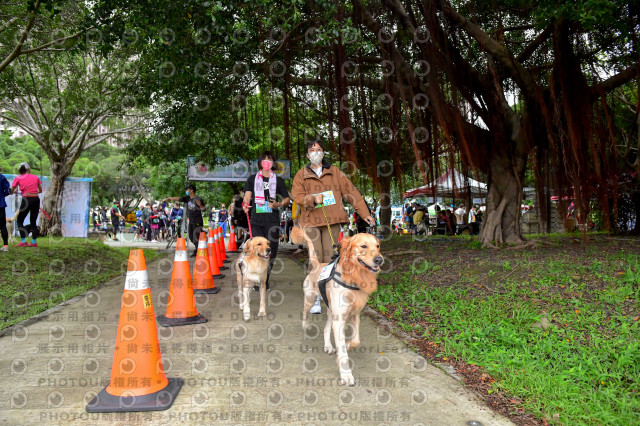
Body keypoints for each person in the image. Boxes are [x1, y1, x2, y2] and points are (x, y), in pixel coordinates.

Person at [291, 141, 374, 314]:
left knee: (330, 259)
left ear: (323, 152)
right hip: (311, 221)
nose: (316, 153)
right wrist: (312, 199)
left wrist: (364, 212)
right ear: (307, 155)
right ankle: (314, 297)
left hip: (332, 221)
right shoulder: (301, 174)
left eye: (319, 150)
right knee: (316, 259)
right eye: (312, 150)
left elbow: (351, 192)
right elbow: (297, 196)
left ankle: (329, 293)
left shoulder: (334, 171)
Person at [242, 151, 290, 290]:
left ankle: (265, 278)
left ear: (273, 163)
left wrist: (278, 204)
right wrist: (245, 203)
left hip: (273, 221)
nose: (267, 162)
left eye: (270, 159)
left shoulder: (278, 180)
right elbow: (247, 196)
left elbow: (286, 199)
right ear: (260, 162)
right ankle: (257, 279)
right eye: (264, 159)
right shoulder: (252, 179)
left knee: (271, 251)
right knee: (257, 249)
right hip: (256, 220)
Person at [163, 183, 206, 257]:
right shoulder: (187, 198)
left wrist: (200, 205)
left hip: (198, 220)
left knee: (196, 236)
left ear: (192, 190)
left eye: (187, 189)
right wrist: (168, 198)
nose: (186, 191)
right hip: (191, 221)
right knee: (190, 236)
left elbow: (204, 209)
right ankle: (198, 248)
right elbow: (178, 198)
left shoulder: (198, 199)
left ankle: (198, 251)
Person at [9, 163, 42, 247]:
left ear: (20, 170)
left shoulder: (18, 178)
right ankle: (34, 242)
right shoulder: (36, 177)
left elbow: (12, 190)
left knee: (20, 220)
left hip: (26, 200)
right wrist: (32, 192)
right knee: (33, 221)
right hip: (36, 199)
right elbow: (40, 190)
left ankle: (23, 241)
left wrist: (16, 192)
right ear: (29, 169)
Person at [0, 168, 10, 251]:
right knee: (3, 225)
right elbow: (7, 191)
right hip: (1, 204)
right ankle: (5, 246)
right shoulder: (2, 177)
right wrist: (3, 196)